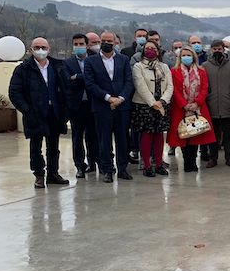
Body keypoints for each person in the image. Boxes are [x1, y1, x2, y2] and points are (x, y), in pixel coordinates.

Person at [8, 37, 71, 188]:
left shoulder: (58, 66)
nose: (40, 50)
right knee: (35, 146)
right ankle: (38, 175)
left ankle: (53, 174)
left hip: (54, 111)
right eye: (37, 47)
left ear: (49, 49)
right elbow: (15, 92)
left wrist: (65, 109)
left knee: (53, 146)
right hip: (34, 112)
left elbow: (66, 88)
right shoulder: (23, 69)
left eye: (43, 47)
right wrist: (27, 110)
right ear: (31, 49)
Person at [83, 31, 135, 183]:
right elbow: (90, 84)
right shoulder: (90, 61)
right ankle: (107, 170)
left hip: (122, 106)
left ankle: (122, 168)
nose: (106, 43)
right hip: (102, 106)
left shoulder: (124, 59)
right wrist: (108, 98)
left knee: (123, 139)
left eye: (110, 41)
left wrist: (120, 98)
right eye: (103, 40)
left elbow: (129, 81)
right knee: (104, 140)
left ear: (115, 43)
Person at [167, 47, 217, 172]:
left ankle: (193, 161)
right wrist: (184, 104)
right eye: (183, 55)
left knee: (196, 135)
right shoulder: (174, 71)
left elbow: (204, 88)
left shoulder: (201, 71)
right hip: (181, 109)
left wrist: (197, 102)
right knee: (184, 136)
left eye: (188, 55)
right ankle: (186, 161)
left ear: (194, 57)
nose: (186, 57)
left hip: (198, 108)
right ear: (180, 57)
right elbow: (174, 90)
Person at [131, 40, 173, 177]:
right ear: (143, 51)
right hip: (144, 105)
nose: (150, 50)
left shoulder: (164, 67)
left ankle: (159, 164)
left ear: (158, 51)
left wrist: (162, 101)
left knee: (159, 134)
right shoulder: (138, 66)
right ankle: (147, 166)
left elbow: (170, 86)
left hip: (161, 104)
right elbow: (140, 86)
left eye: (153, 48)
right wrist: (153, 103)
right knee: (147, 134)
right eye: (147, 48)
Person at [64, 33, 99, 178]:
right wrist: (85, 77)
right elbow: (67, 80)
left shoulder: (95, 61)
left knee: (93, 136)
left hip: (93, 104)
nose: (78, 47)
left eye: (81, 44)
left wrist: (78, 77)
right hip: (76, 106)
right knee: (77, 137)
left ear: (87, 45)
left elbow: (96, 78)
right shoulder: (67, 63)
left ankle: (93, 162)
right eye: (76, 44)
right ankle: (79, 165)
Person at [202, 40, 230, 168]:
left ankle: (229, 157)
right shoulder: (205, 66)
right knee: (213, 135)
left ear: (224, 50)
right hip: (211, 105)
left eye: (219, 49)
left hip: (227, 105)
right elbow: (202, 85)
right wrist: (207, 96)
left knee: (228, 134)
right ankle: (213, 158)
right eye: (214, 49)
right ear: (211, 50)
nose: (217, 51)